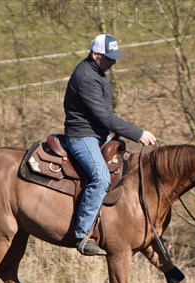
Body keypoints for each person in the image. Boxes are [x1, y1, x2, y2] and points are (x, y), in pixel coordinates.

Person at [64, 33, 157, 256]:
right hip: (82, 136)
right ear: (96, 55)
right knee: (101, 177)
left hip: (97, 133)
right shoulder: (86, 77)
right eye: (109, 57)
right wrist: (138, 133)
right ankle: (82, 235)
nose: (113, 62)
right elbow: (105, 118)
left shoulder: (98, 72)